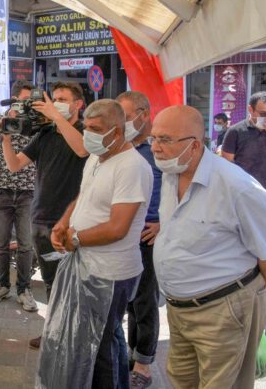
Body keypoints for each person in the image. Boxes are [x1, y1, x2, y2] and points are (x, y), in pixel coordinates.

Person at [152, 105, 266, 389]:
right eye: (153, 138)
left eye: (165, 139)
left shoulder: (239, 187)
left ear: (195, 145)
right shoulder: (172, 174)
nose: (156, 147)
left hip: (222, 311)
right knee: (182, 381)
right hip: (179, 310)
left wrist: (241, 300)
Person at [37, 99, 152, 389]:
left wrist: (75, 238)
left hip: (110, 273)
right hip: (86, 265)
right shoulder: (97, 158)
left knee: (103, 345)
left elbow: (118, 227)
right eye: (86, 127)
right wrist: (64, 223)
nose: (89, 134)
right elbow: (83, 196)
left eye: (96, 129)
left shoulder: (131, 166)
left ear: (117, 131)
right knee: (89, 341)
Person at [1, 81, 89, 349]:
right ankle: (54, 333)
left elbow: (82, 150)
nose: (56, 103)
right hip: (40, 220)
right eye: (55, 98)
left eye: (62, 99)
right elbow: (15, 165)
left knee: (75, 285)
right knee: (51, 284)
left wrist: (53, 116)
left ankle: (76, 339)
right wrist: (5, 138)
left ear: (78, 104)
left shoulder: (86, 131)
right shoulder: (47, 133)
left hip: (70, 223)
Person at [220, 91, 266, 384]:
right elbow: (225, 165)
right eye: (262, 113)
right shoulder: (236, 131)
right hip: (241, 203)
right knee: (246, 248)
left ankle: (263, 281)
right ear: (250, 110)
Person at [117, 91, 162, 389]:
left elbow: (183, 188)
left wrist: (164, 222)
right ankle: (132, 355)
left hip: (148, 234)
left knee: (145, 302)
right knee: (129, 302)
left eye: (126, 115)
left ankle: (143, 364)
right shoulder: (119, 149)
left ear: (143, 114)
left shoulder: (160, 146)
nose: (122, 123)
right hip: (123, 234)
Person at [0, 80, 38, 312]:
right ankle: (2, 285)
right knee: (1, 243)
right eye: (23, 101)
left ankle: (24, 290)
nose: (27, 105)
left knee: (26, 244)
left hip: (29, 192)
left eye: (30, 102)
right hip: (2, 191)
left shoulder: (35, 124)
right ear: (13, 99)